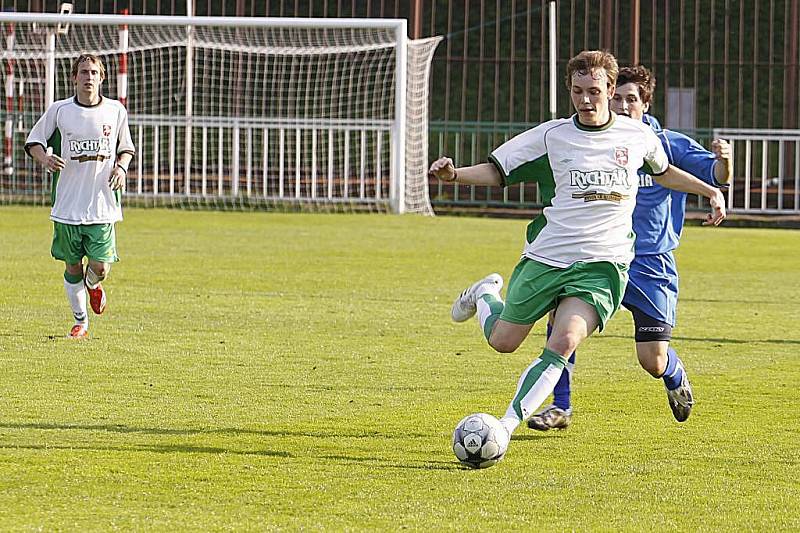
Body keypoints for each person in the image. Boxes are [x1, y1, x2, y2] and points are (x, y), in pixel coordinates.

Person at [428, 50, 726, 444]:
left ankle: (504, 427)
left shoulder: (637, 136)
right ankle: (484, 294)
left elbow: (664, 172)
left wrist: (710, 191)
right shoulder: (551, 137)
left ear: (609, 88)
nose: (586, 100)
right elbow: (500, 173)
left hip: (603, 266)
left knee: (564, 341)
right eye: (578, 91)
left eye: (595, 91)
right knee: (503, 341)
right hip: (547, 258)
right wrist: (454, 176)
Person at [527, 65, 732, 431]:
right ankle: (560, 407)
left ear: (646, 104)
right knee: (561, 326)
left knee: (651, 360)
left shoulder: (664, 143)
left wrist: (724, 163)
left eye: (631, 99)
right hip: (598, 254)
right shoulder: (595, 138)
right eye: (616, 98)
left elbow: (715, 175)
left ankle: (673, 375)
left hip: (650, 262)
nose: (622, 106)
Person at [25, 54, 135, 339]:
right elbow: (34, 141)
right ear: (74, 77)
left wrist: (121, 167)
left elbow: (126, 148)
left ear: (102, 78)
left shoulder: (115, 111)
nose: (89, 77)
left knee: (100, 266)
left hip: (102, 204)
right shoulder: (60, 110)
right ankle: (81, 322)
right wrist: (44, 160)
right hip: (67, 205)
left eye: (94, 72)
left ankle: (94, 285)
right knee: (72, 264)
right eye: (83, 72)